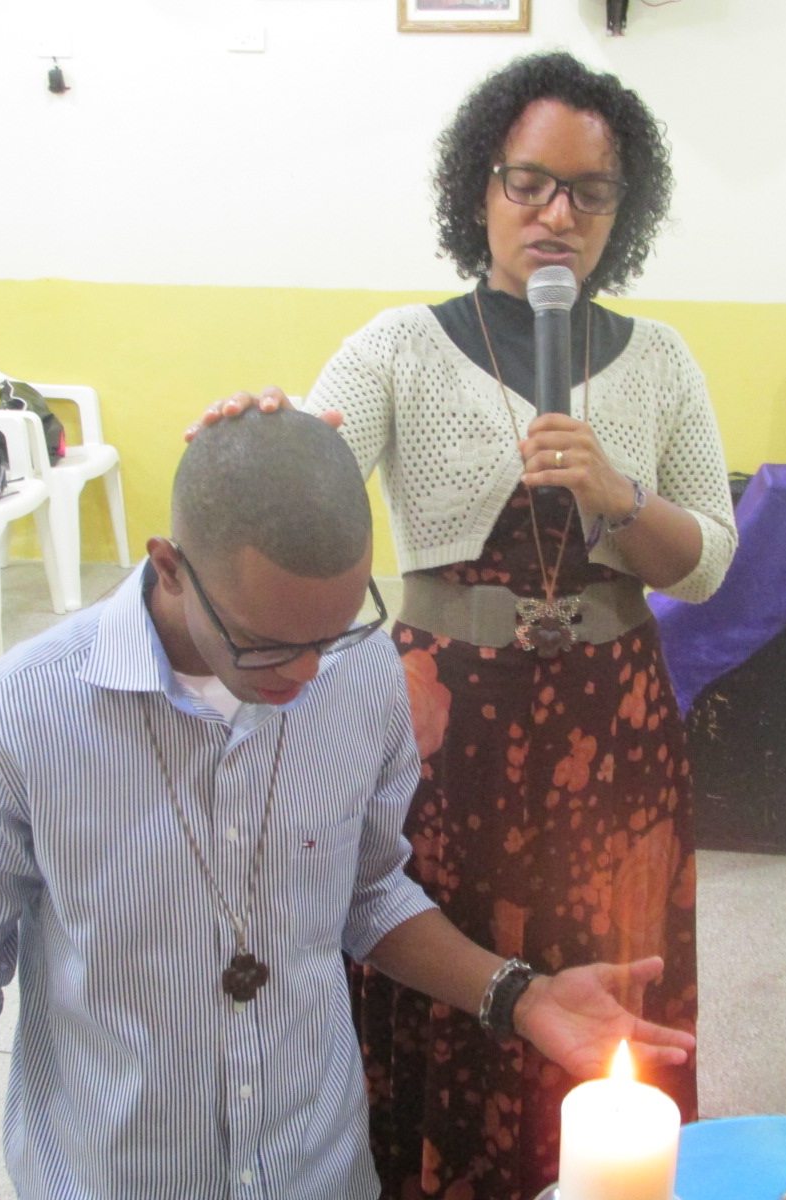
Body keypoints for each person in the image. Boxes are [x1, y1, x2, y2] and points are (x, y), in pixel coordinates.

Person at [0, 408, 694, 1200]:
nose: (306, 674)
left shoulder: (363, 674)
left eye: (332, 633)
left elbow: (368, 890)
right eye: (266, 645)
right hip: (116, 1175)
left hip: (317, 1165)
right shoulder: (14, 716)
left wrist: (519, 997)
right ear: (169, 568)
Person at [198, 50, 737, 1200]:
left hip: (613, 731)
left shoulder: (659, 359)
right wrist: (261, 443)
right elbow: (309, 487)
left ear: (622, 211)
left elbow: (707, 562)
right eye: (528, 183)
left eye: (589, 192)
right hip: (441, 722)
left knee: (606, 963)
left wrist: (618, 497)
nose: (556, 215)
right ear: (478, 189)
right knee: (446, 956)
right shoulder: (400, 343)